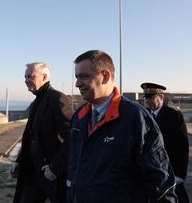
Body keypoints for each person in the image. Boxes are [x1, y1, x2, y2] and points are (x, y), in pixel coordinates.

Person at [67, 50, 177, 202]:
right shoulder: (79, 117)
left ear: (105, 76)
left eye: (84, 76)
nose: (77, 83)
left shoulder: (135, 117)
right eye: (77, 77)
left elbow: (160, 180)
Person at [10, 62, 73, 203]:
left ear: (44, 77)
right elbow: (29, 137)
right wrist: (19, 161)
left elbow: (71, 138)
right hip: (33, 174)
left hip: (52, 175)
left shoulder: (58, 99)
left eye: (30, 76)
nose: (26, 80)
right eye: (25, 77)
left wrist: (55, 168)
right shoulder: (36, 102)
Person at [141, 82, 190, 203]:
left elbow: (182, 146)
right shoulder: (144, 114)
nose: (147, 100)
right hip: (150, 170)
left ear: (161, 97)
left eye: (150, 97)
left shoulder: (174, 116)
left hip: (170, 170)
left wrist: (179, 174)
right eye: (145, 97)